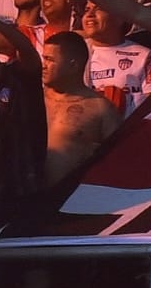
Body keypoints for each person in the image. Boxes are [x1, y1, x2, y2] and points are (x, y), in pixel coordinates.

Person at [41, 30, 120, 186]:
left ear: (73, 65)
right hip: (23, 198)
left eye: (50, 60)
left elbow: (116, 162)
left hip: (68, 201)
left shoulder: (100, 109)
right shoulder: (31, 99)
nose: (43, 65)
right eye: (44, 58)